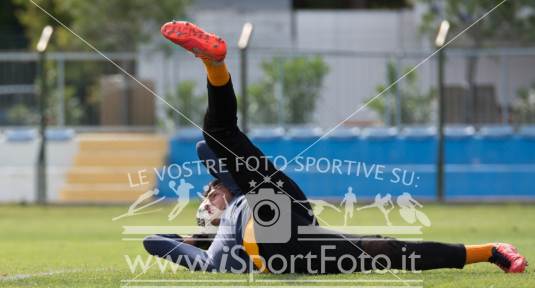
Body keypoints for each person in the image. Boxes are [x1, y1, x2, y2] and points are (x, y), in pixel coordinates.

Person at [143, 21, 528, 274]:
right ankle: (492, 250)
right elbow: (153, 241)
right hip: (294, 250)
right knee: (388, 251)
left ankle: (214, 63)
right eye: (203, 207)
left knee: (216, 134)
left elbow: (205, 151)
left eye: (208, 195)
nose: (206, 201)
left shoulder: (238, 190)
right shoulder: (217, 255)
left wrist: (216, 200)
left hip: (275, 205)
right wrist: (197, 239)